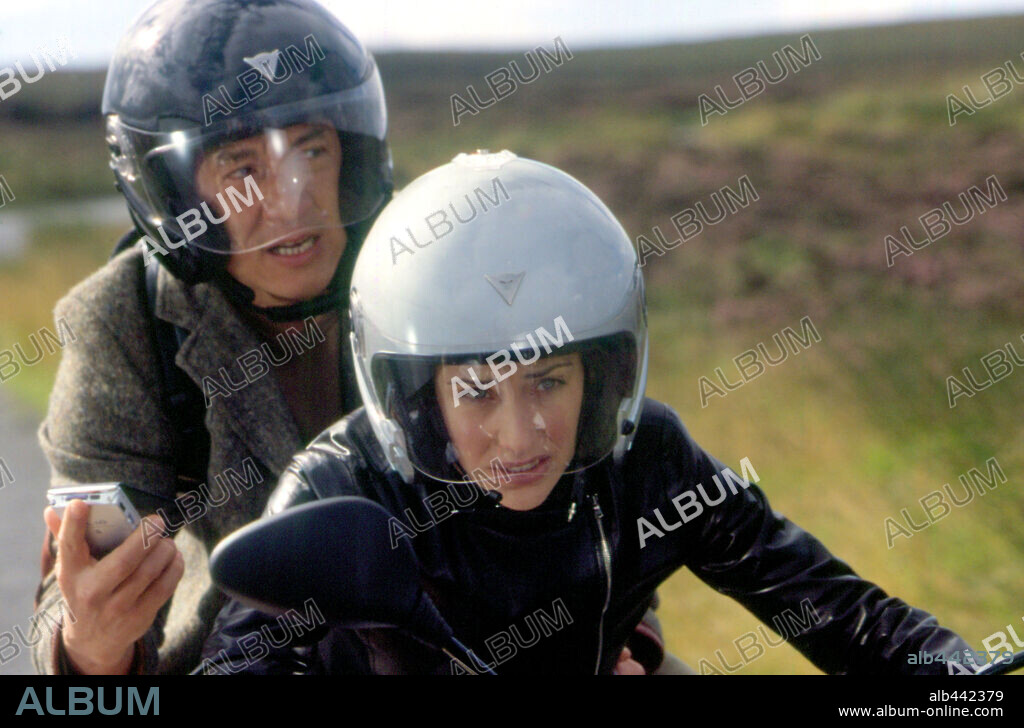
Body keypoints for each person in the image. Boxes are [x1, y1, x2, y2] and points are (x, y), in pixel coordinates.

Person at [201, 151, 972, 674]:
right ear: (413, 398)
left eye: (551, 379)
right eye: (477, 391)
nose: (523, 433)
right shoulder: (343, 486)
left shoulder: (649, 460)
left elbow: (830, 606)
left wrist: (963, 680)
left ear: (601, 376)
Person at [32, 0, 392, 675]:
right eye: (241, 169)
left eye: (311, 150)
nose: (290, 202)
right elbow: (71, 590)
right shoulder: (121, 320)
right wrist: (89, 646)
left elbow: (576, 476)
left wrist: (617, 635)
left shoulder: (428, 264)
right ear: (173, 197)